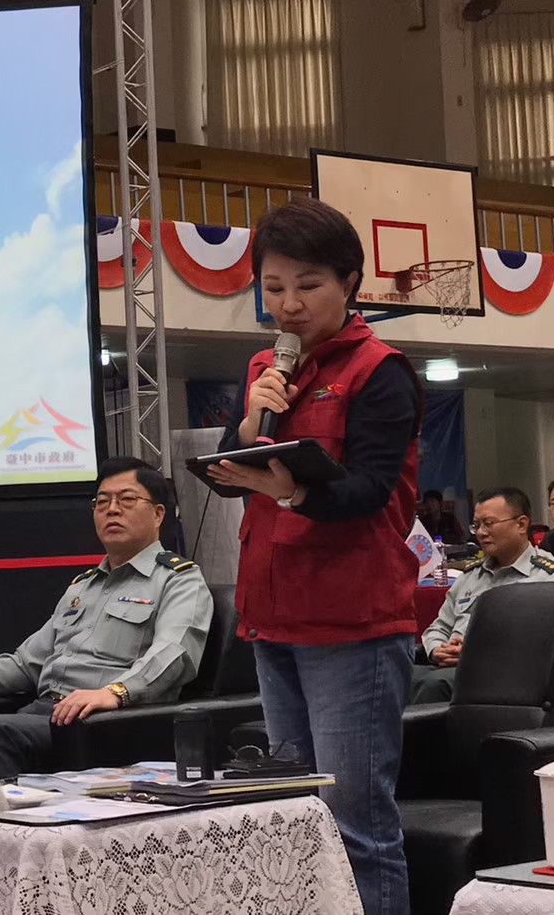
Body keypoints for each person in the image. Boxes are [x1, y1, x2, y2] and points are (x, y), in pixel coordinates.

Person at [205, 197, 421, 915]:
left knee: (356, 827)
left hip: (352, 622)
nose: (288, 304)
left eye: (308, 285)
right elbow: (237, 478)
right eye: (273, 288)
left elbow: (369, 492)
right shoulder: (264, 366)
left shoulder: (379, 370)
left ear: (350, 283)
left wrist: (293, 491)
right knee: (295, 822)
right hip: (273, 615)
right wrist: (248, 427)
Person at [0, 457, 213, 779]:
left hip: (107, 720)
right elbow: (25, 664)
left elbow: (175, 653)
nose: (112, 509)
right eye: (102, 502)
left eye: (126, 499)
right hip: (43, 714)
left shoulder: (178, 579)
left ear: (157, 514)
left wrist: (116, 692)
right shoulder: (83, 586)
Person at [413, 488, 554, 703]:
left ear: (521, 524)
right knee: (398, 675)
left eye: (488, 524)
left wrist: (474, 652)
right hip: (450, 666)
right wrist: (437, 650)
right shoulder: (470, 576)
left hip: (503, 673)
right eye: (476, 525)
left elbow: (545, 644)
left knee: (435, 685)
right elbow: (439, 627)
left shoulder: (550, 576)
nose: (480, 532)